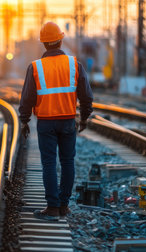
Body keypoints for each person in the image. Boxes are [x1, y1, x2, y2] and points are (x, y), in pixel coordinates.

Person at [19, 22, 93, 221]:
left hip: (46, 123)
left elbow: (27, 99)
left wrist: (24, 121)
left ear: (43, 44)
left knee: (49, 164)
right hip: (68, 121)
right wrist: (84, 117)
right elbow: (86, 95)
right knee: (68, 162)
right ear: (61, 40)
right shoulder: (74, 64)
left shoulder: (35, 67)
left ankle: (52, 208)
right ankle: (63, 206)